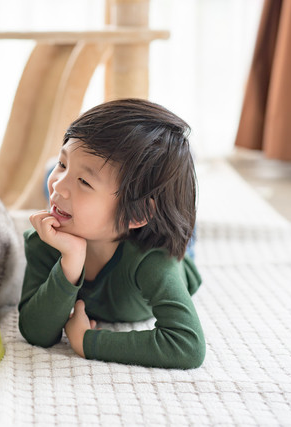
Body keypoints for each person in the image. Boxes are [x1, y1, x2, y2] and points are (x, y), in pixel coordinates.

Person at [19, 98, 205, 369]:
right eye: (63, 163)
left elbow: (187, 346)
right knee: (56, 180)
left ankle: (185, 167)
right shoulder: (46, 240)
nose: (59, 187)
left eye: (83, 181)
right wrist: (70, 261)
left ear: (136, 213)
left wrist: (87, 342)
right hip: (118, 216)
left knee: (179, 209)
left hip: (158, 236)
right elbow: (35, 331)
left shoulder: (154, 262)